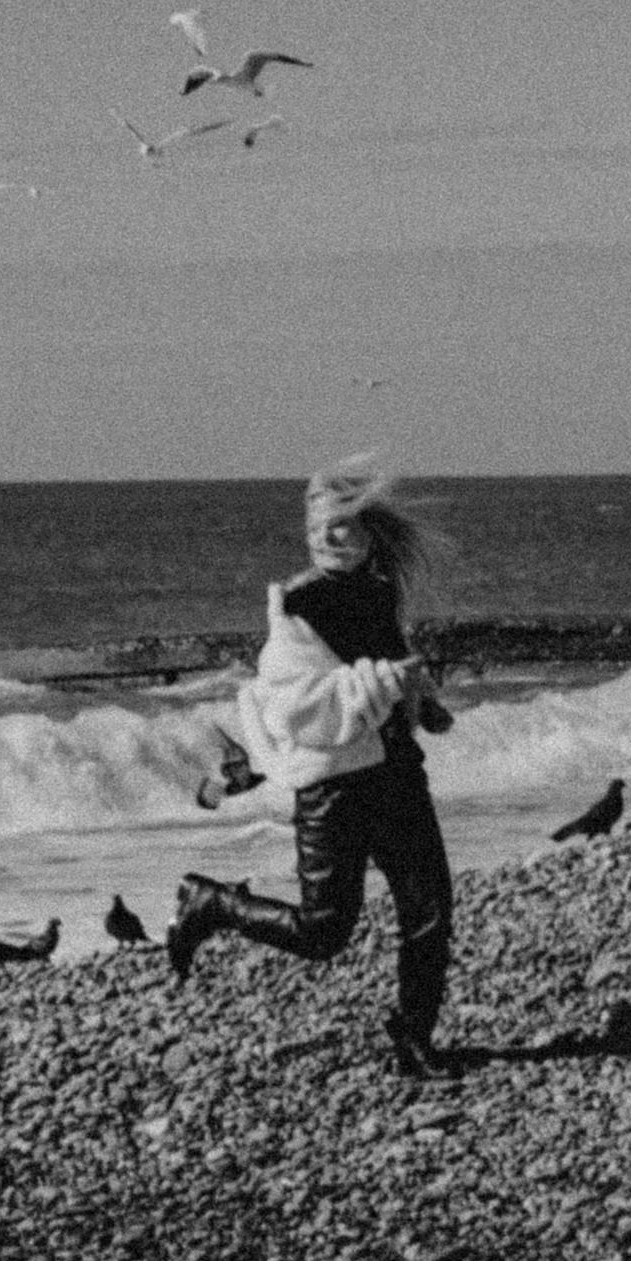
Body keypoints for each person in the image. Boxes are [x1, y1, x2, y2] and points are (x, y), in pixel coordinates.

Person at [165, 462, 458, 1078]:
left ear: (371, 533)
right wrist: (380, 684)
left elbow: (383, 661)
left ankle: (413, 1040)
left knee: (429, 909)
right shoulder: (297, 608)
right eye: (318, 528)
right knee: (325, 932)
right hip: (335, 789)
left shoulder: (378, 592)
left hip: (397, 773)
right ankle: (212, 904)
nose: (328, 539)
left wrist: (419, 700)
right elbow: (299, 709)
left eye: (344, 528)